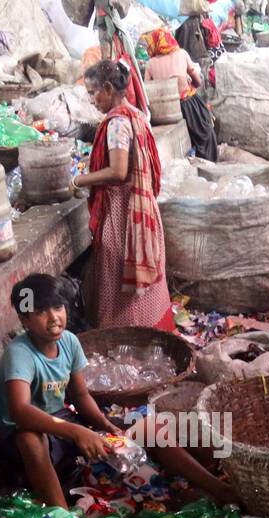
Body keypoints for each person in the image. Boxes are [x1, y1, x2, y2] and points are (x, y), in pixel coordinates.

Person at [0, 274, 239, 509]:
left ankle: (218, 489)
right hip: (26, 436)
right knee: (30, 440)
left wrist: (106, 425)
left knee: (149, 427)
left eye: (58, 307)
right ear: (24, 320)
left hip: (63, 424)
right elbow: (20, 412)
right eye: (40, 312)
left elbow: (80, 397)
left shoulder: (69, 342)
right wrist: (77, 432)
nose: (53, 318)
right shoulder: (20, 353)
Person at [73, 60, 173, 330]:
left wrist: (80, 180)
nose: (92, 100)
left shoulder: (117, 123)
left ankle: (126, 338)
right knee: (145, 281)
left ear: (107, 88)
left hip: (122, 212)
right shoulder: (137, 115)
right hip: (143, 209)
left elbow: (118, 172)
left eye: (94, 93)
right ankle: (153, 332)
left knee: (117, 281)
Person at [143, 28, 218, 162]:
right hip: (188, 104)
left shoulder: (150, 63)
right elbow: (198, 80)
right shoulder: (181, 54)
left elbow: (148, 89)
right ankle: (210, 164)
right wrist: (192, 86)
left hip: (164, 111)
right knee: (206, 134)